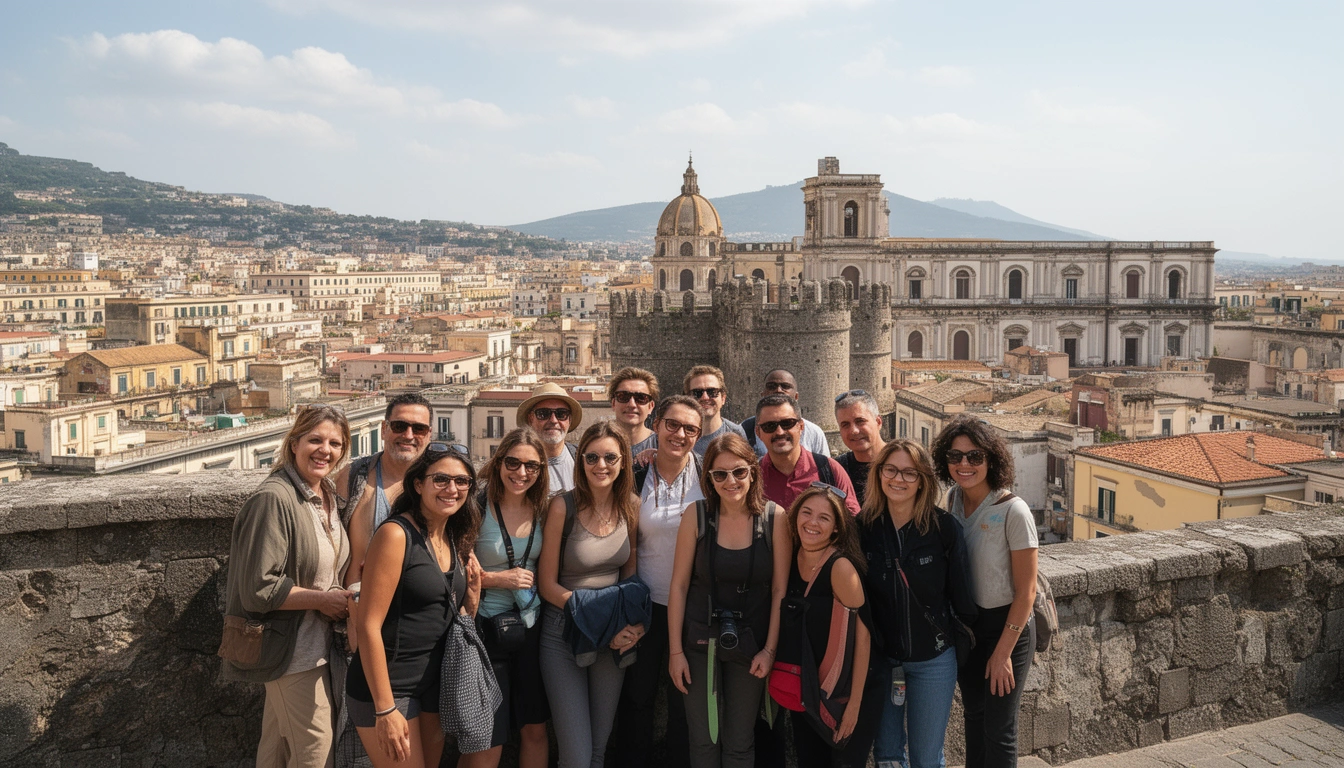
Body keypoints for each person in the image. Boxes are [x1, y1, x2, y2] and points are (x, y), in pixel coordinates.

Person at [221, 404, 354, 768]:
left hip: (314, 647)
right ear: (294, 443)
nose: (325, 450)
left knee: (276, 751)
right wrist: (322, 601)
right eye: (315, 440)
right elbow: (258, 589)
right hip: (291, 654)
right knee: (317, 753)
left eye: (335, 443)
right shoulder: (274, 499)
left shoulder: (323, 494)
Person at [345, 445, 483, 768]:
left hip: (433, 686)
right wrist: (385, 709)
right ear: (418, 484)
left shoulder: (453, 535)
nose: (453, 489)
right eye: (442, 480)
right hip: (391, 687)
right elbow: (369, 625)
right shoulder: (396, 535)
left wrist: (471, 603)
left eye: (462, 482)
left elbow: (441, 617)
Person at [667, 433, 791, 768]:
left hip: (751, 646)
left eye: (738, 472)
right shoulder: (696, 515)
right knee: (704, 741)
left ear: (753, 471)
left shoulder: (774, 518)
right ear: (708, 478)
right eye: (719, 474)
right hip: (697, 643)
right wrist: (675, 652)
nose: (730, 481)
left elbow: (781, 591)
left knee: (739, 742)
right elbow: (678, 586)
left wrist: (770, 650)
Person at [859, 440, 977, 768]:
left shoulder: (943, 529)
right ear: (879, 474)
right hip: (882, 661)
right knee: (887, 756)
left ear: (923, 479)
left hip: (934, 660)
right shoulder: (863, 529)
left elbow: (962, 598)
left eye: (910, 472)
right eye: (891, 470)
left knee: (927, 759)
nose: (899, 479)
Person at [932, 414, 1038, 768]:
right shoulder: (951, 502)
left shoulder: (1014, 511)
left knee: (999, 728)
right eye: (955, 456)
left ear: (991, 460)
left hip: (1007, 628)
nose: (964, 464)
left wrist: (1003, 653)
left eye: (975, 456)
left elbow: (1027, 592)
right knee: (974, 717)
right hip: (969, 629)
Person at [538, 420, 644, 768]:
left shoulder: (631, 505)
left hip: (611, 634)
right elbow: (547, 584)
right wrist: (594, 615)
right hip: (563, 634)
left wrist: (632, 625)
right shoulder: (562, 507)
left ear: (624, 461)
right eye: (592, 457)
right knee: (577, 755)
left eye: (611, 457)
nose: (601, 465)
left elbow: (629, 575)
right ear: (580, 461)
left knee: (599, 749)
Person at [614, 396, 706, 767]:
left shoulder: (708, 474)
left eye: (690, 429)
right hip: (646, 605)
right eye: (672, 424)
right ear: (656, 424)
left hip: (695, 606)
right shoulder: (634, 475)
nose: (679, 434)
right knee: (638, 698)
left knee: (685, 702)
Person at [775, 484, 883, 768]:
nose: (812, 522)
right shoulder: (790, 557)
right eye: (807, 512)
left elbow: (863, 638)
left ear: (836, 529)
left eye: (824, 518)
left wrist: (854, 706)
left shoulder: (840, 568)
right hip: (809, 687)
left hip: (846, 692)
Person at [467, 428, 552, 768]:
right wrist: (495, 579)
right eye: (513, 463)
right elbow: (452, 572)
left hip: (532, 629)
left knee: (535, 729)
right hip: (486, 631)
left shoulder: (545, 508)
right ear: (499, 461)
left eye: (531, 466)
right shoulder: (476, 506)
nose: (521, 472)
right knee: (488, 734)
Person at [337, 393, 434, 596]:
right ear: (384, 429)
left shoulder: (442, 484)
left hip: (420, 614)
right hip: (361, 607)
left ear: (429, 434)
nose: (408, 435)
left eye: (419, 429)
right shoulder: (354, 477)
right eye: (399, 426)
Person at [756, 393, 860, 516]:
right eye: (769, 426)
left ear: (801, 427)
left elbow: (852, 523)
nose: (779, 432)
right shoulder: (752, 478)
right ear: (758, 433)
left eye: (787, 423)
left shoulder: (829, 470)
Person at [741, 370, 831, 458]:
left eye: (785, 386)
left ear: (796, 396)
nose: (778, 390)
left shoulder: (814, 433)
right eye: (772, 386)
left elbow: (825, 469)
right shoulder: (744, 431)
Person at [517, 382, 584, 494]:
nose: (553, 420)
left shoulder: (585, 461)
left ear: (570, 420)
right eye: (543, 414)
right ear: (530, 419)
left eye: (561, 414)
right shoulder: (516, 466)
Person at [834, 390, 885, 506]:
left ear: (878, 422)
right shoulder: (836, 470)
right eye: (845, 425)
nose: (854, 431)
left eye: (860, 421)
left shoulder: (901, 464)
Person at [683, 365, 749, 455]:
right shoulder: (678, 435)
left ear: (723, 398)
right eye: (697, 393)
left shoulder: (735, 433)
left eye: (712, 392)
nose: (705, 397)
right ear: (687, 399)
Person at [608, 367, 660, 456]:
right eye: (623, 397)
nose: (632, 404)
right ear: (613, 403)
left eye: (641, 398)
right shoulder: (596, 446)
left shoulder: (662, 447)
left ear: (650, 407)